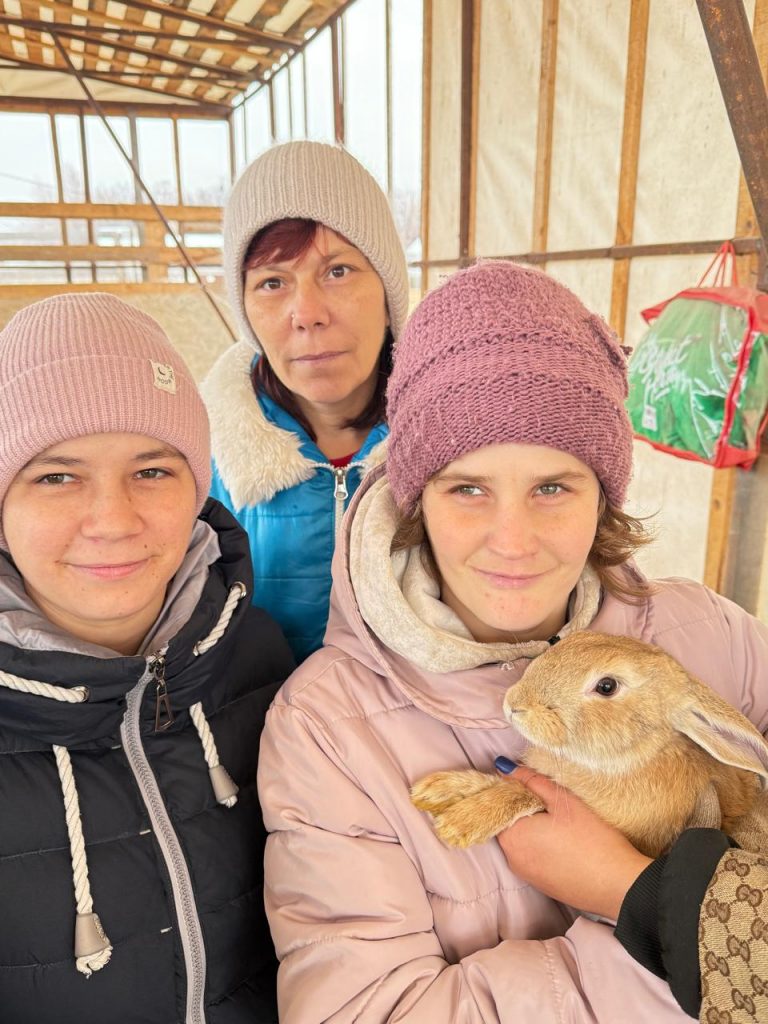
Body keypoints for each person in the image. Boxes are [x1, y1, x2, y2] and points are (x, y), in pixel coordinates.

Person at [257, 260, 768, 1022]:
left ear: (603, 493)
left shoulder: (705, 632)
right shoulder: (328, 729)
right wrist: (669, 939)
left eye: (553, 487)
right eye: (467, 489)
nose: (513, 540)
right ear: (416, 498)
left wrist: (643, 892)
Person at [0, 293, 294, 1024]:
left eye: (153, 471)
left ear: (198, 488)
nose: (113, 520)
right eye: (56, 476)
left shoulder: (260, 660)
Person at [201, 140, 410, 663]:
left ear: (388, 294)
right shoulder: (200, 461)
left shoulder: (458, 441)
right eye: (272, 282)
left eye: (337, 271)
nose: (307, 313)